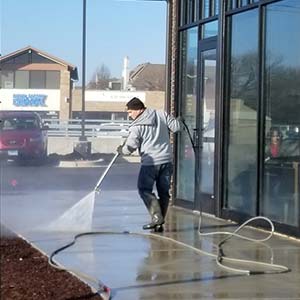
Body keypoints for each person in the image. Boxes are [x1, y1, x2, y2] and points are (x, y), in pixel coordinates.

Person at [117, 97, 181, 232]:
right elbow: (176, 127)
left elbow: (130, 148)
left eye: (130, 112)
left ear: (138, 109)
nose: (129, 116)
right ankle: (159, 223)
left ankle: (157, 217)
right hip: (167, 161)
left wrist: (121, 150)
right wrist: (179, 120)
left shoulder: (137, 126)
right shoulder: (161, 114)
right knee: (164, 192)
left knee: (144, 189)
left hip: (150, 164)